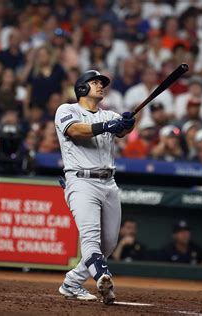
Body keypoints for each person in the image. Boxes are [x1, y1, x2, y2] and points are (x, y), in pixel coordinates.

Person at [54, 70, 135, 304]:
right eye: (95, 82)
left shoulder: (109, 113)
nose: (100, 85)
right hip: (81, 181)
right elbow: (75, 131)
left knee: (108, 243)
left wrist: (127, 123)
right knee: (90, 238)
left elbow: (121, 129)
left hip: (109, 183)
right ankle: (102, 277)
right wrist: (109, 124)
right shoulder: (67, 110)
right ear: (81, 88)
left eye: (102, 83)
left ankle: (72, 281)